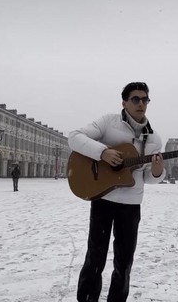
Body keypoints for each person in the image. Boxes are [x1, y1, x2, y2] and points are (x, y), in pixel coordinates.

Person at [68, 82, 165, 302]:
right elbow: (74, 137)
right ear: (124, 102)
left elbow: (148, 177)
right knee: (95, 257)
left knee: (124, 262)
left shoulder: (154, 138)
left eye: (145, 99)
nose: (141, 103)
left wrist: (158, 172)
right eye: (135, 99)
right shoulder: (108, 123)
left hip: (131, 206)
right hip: (103, 198)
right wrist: (102, 153)